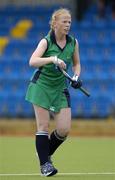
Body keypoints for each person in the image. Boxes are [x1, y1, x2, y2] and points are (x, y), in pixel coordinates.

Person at [25, 8, 82, 177]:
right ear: (55, 23)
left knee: (64, 129)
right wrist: (52, 59)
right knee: (43, 126)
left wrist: (76, 76)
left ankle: (44, 152)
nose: (67, 25)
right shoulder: (46, 42)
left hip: (60, 88)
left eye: (69, 22)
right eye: (64, 22)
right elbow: (32, 61)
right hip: (41, 86)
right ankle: (45, 165)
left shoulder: (73, 42)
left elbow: (77, 63)